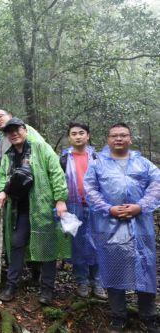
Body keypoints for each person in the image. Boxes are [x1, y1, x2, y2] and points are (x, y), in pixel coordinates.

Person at [84, 123, 159, 333]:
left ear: (130, 139)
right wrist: (109, 209)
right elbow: (89, 190)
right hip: (109, 226)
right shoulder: (98, 165)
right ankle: (118, 315)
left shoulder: (143, 164)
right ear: (108, 140)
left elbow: (157, 185)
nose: (119, 139)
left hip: (140, 225)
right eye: (114, 136)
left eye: (123, 135)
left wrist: (140, 206)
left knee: (146, 267)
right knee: (112, 268)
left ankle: (149, 315)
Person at [0, 118, 70, 305]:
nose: (14, 134)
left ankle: (47, 289)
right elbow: (3, 176)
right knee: (17, 243)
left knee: (47, 246)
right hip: (20, 209)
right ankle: (12, 284)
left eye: (17, 130)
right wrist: (2, 191)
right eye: (9, 131)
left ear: (25, 130)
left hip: (42, 206)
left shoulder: (40, 147)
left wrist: (60, 199)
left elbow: (55, 172)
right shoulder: (9, 155)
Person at [60, 123, 107, 299]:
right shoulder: (64, 159)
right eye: (74, 134)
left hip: (96, 207)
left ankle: (98, 282)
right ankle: (82, 282)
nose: (78, 136)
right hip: (73, 206)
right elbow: (59, 184)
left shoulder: (97, 157)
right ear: (69, 138)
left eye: (81, 133)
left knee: (98, 244)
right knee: (78, 245)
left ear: (88, 136)